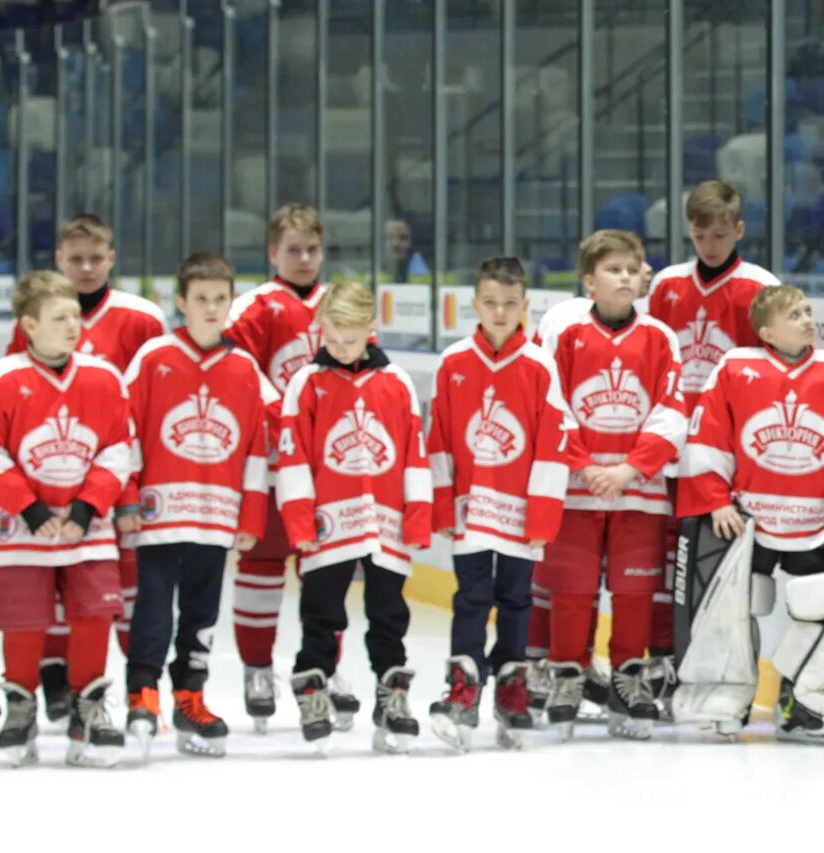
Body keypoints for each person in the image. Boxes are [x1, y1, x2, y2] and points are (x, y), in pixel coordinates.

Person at [674, 285, 824, 742]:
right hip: (749, 519)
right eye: (794, 315)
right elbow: (708, 435)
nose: (807, 319)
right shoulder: (734, 367)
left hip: (815, 520)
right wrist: (715, 499)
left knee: (817, 605)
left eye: (808, 311)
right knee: (732, 608)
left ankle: (801, 696)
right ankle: (724, 698)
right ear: (766, 331)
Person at [0, 271, 134, 768]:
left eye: (76, 316)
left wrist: (86, 505)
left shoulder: (104, 377)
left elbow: (119, 446)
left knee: (92, 614)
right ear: (29, 325)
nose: (73, 326)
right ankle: (21, 708)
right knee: (23, 622)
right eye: (59, 318)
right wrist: (29, 506)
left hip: (87, 527)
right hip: (20, 529)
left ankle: (89, 710)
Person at [118, 252, 276, 758]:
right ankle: (142, 695)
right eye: (201, 299)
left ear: (232, 303)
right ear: (180, 301)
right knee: (153, 612)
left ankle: (191, 695)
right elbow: (127, 433)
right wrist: (126, 500)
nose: (211, 308)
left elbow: (258, 445)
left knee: (201, 613)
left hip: (215, 515)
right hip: (159, 514)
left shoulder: (245, 368)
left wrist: (251, 516)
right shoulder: (154, 357)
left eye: (220, 299)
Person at [8, 213, 166, 716]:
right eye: (75, 258)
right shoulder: (37, 317)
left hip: (119, 472)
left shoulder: (140, 318)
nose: (86, 267)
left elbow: (147, 407)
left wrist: (133, 485)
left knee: (121, 587)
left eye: (96, 257)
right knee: (58, 574)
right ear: (59, 259)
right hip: (53, 470)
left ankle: (135, 688)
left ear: (112, 258)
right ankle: (57, 675)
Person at [537, 230, 686, 740]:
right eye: (613, 269)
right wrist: (582, 464)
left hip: (636, 488)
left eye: (632, 268)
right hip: (576, 488)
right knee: (573, 589)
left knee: (634, 589)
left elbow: (672, 411)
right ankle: (567, 677)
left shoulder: (661, 338)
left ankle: (629, 678)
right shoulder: (565, 334)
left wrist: (628, 469)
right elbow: (549, 402)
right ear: (588, 281)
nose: (625, 277)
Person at [275, 282, 431, 753]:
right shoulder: (307, 383)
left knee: (389, 615)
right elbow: (293, 458)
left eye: (350, 339)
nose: (339, 349)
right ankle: (313, 689)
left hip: (385, 524)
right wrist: (301, 522)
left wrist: (418, 516)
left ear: (371, 329)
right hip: (328, 526)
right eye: (331, 339)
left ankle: (392, 693)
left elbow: (413, 455)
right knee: (322, 614)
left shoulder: (397, 382)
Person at [426, 256, 574, 751]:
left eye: (510, 303)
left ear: (525, 306)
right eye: (490, 302)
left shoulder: (538, 365)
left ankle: (511, 684)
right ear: (474, 304)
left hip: (519, 512)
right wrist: (442, 507)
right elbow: (441, 439)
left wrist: (542, 516)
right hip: (471, 510)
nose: (499, 311)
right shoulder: (453, 362)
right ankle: (463, 686)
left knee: (515, 599)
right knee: (470, 598)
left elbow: (553, 445)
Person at [223, 203, 361, 732]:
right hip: (271, 467)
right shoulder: (254, 307)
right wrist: (287, 417)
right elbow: (238, 371)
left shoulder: (341, 304)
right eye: (293, 249)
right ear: (272, 253)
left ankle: (322, 668)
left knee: (325, 578)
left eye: (312, 249)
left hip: (330, 471)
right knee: (260, 567)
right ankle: (258, 668)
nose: (304, 258)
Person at [646, 182, 780, 694]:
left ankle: (716, 664)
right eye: (701, 235)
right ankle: (663, 658)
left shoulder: (759, 287)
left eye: (720, 235)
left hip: (726, 453)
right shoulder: (667, 285)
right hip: (670, 445)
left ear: (739, 229)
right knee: (666, 559)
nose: (710, 245)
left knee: (718, 563)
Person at [384, 217, 431, 282]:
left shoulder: (416, 263)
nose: (396, 244)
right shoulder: (374, 266)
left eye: (403, 238)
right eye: (389, 237)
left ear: (411, 241)